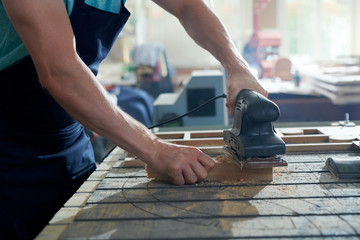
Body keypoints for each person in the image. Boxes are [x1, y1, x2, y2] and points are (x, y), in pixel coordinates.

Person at [0, 0, 267, 239]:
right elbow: (59, 71)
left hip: (70, 141)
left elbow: (188, 5)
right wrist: (153, 148)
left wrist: (237, 67)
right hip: (10, 151)